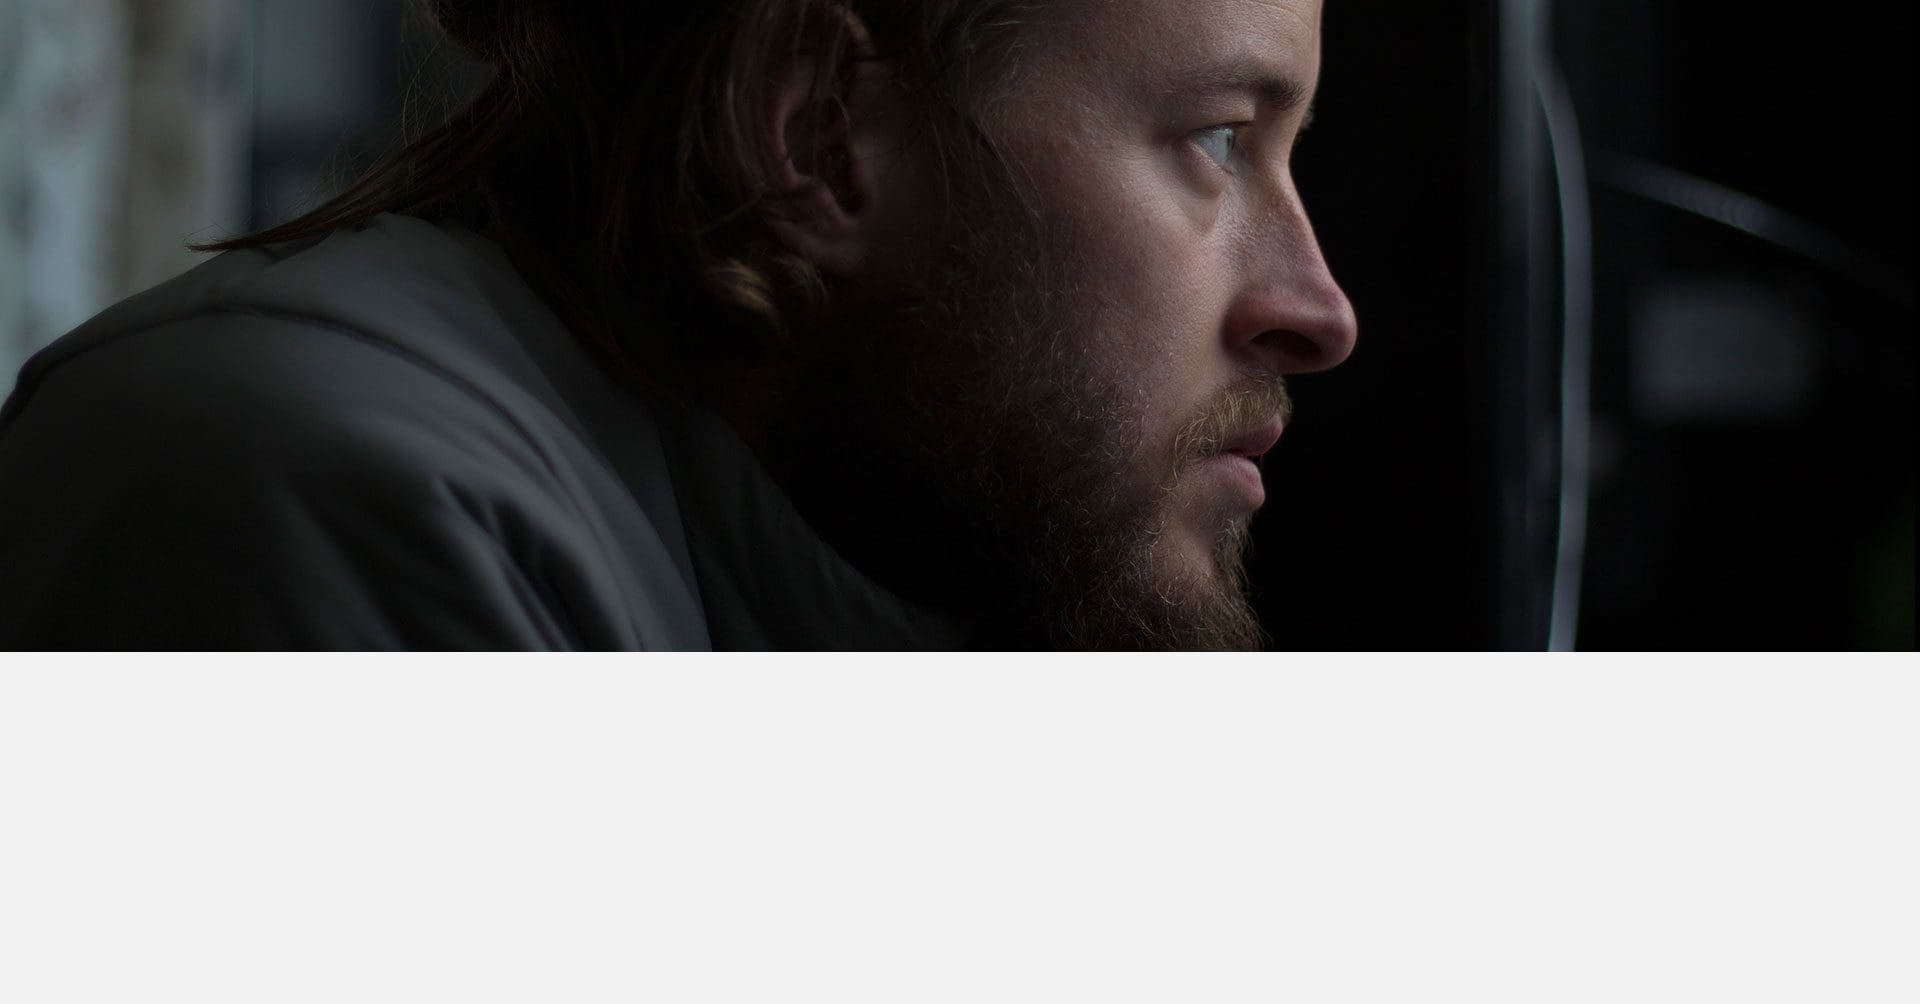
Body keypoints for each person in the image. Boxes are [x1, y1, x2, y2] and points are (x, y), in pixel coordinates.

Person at [0, 0, 1356, 650]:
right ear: (820, 138)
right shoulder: (307, 492)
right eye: (1217, 140)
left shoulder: (884, 562)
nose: (1318, 309)